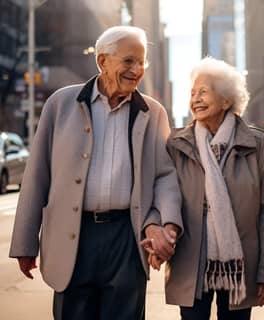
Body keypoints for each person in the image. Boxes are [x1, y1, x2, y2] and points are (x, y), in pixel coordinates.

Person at [9, 26, 183, 320]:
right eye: (128, 61)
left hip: (126, 237)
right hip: (73, 236)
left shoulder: (153, 113)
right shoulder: (60, 104)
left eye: (142, 62)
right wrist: (25, 243)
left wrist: (166, 224)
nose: (137, 70)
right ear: (103, 61)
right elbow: (37, 176)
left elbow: (165, 176)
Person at [148, 57, 264, 320]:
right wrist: (158, 237)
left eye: (203, 92)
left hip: (241, 265)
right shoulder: (176, 144)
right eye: (192, 93)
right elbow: (161, 194)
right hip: (190, 259)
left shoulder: (257, 144)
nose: (196, 99)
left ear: (226, 101)